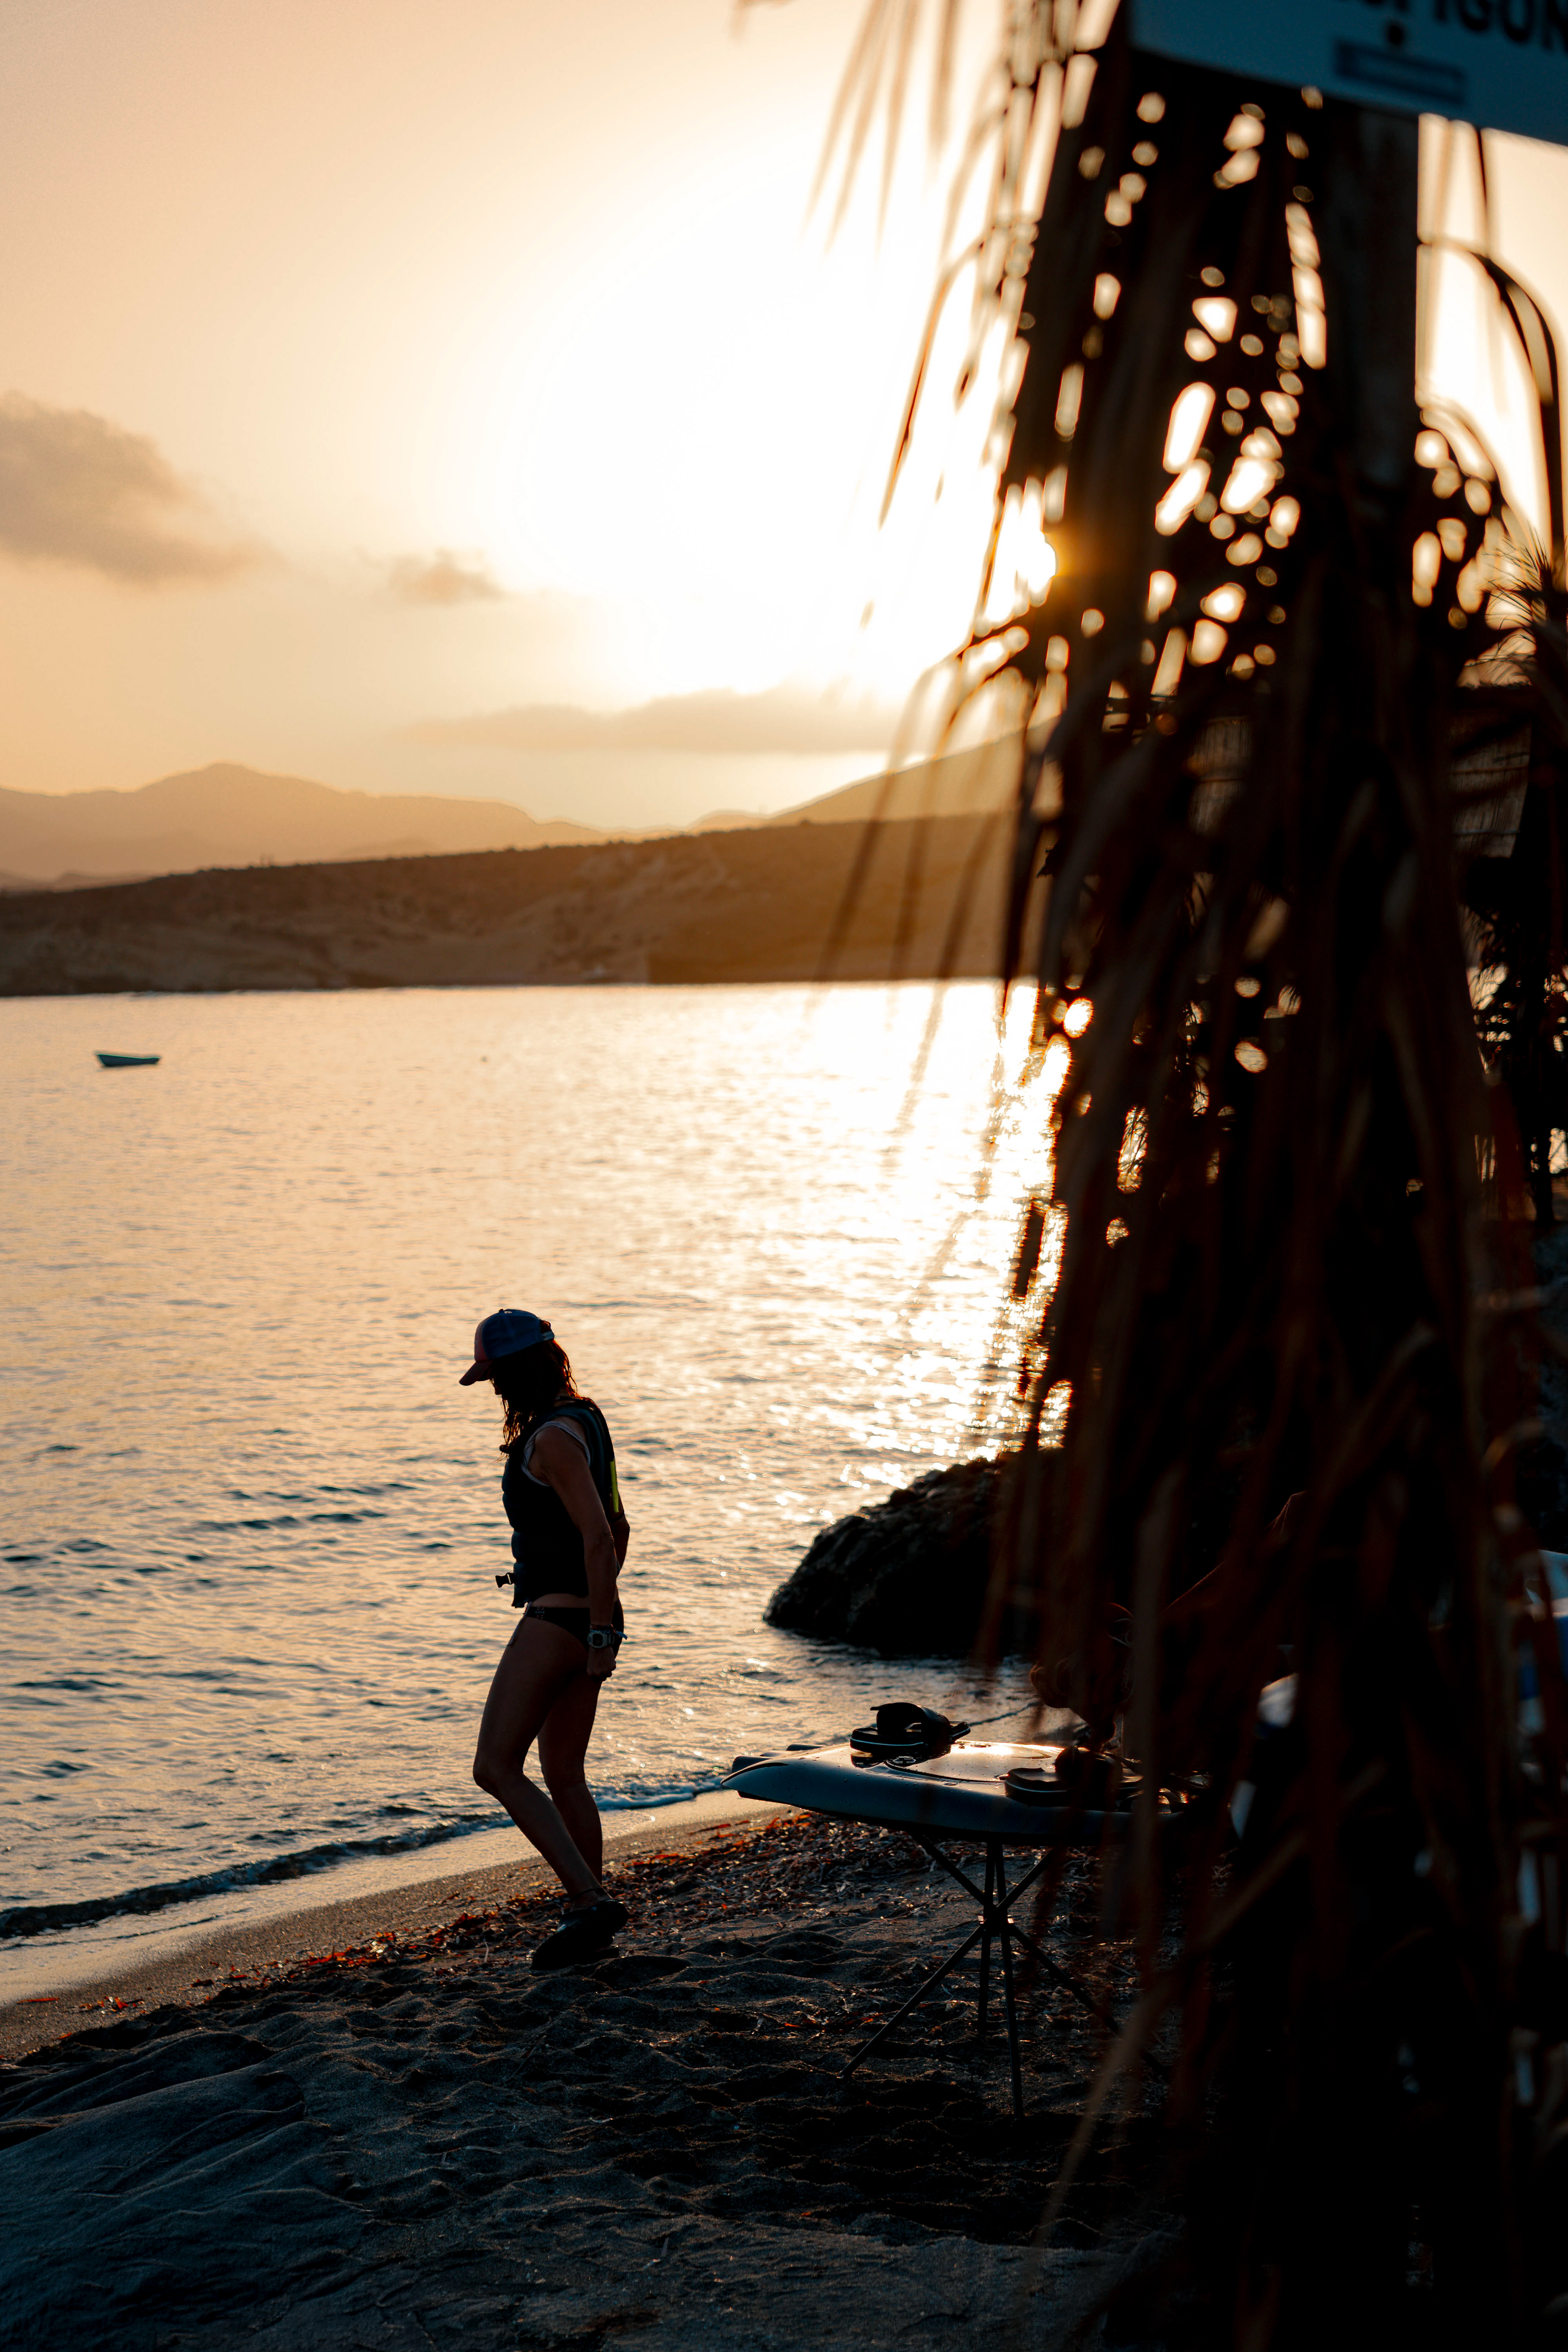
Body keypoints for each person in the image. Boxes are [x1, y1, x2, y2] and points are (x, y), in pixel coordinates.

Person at [462, 1308, 632, 1970]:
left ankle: (587, 1901)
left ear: (520, 1370)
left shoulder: (553, 1440)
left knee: (494, 1767)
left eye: (498, 1378)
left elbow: (600, 1536)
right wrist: (603, 1616)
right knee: (563, 1774)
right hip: (585, 1620)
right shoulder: (585, 1420)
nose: (497, 1391)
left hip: (560, 1622)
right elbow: (621, 1529)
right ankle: (590, 1916)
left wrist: (597, 1630)